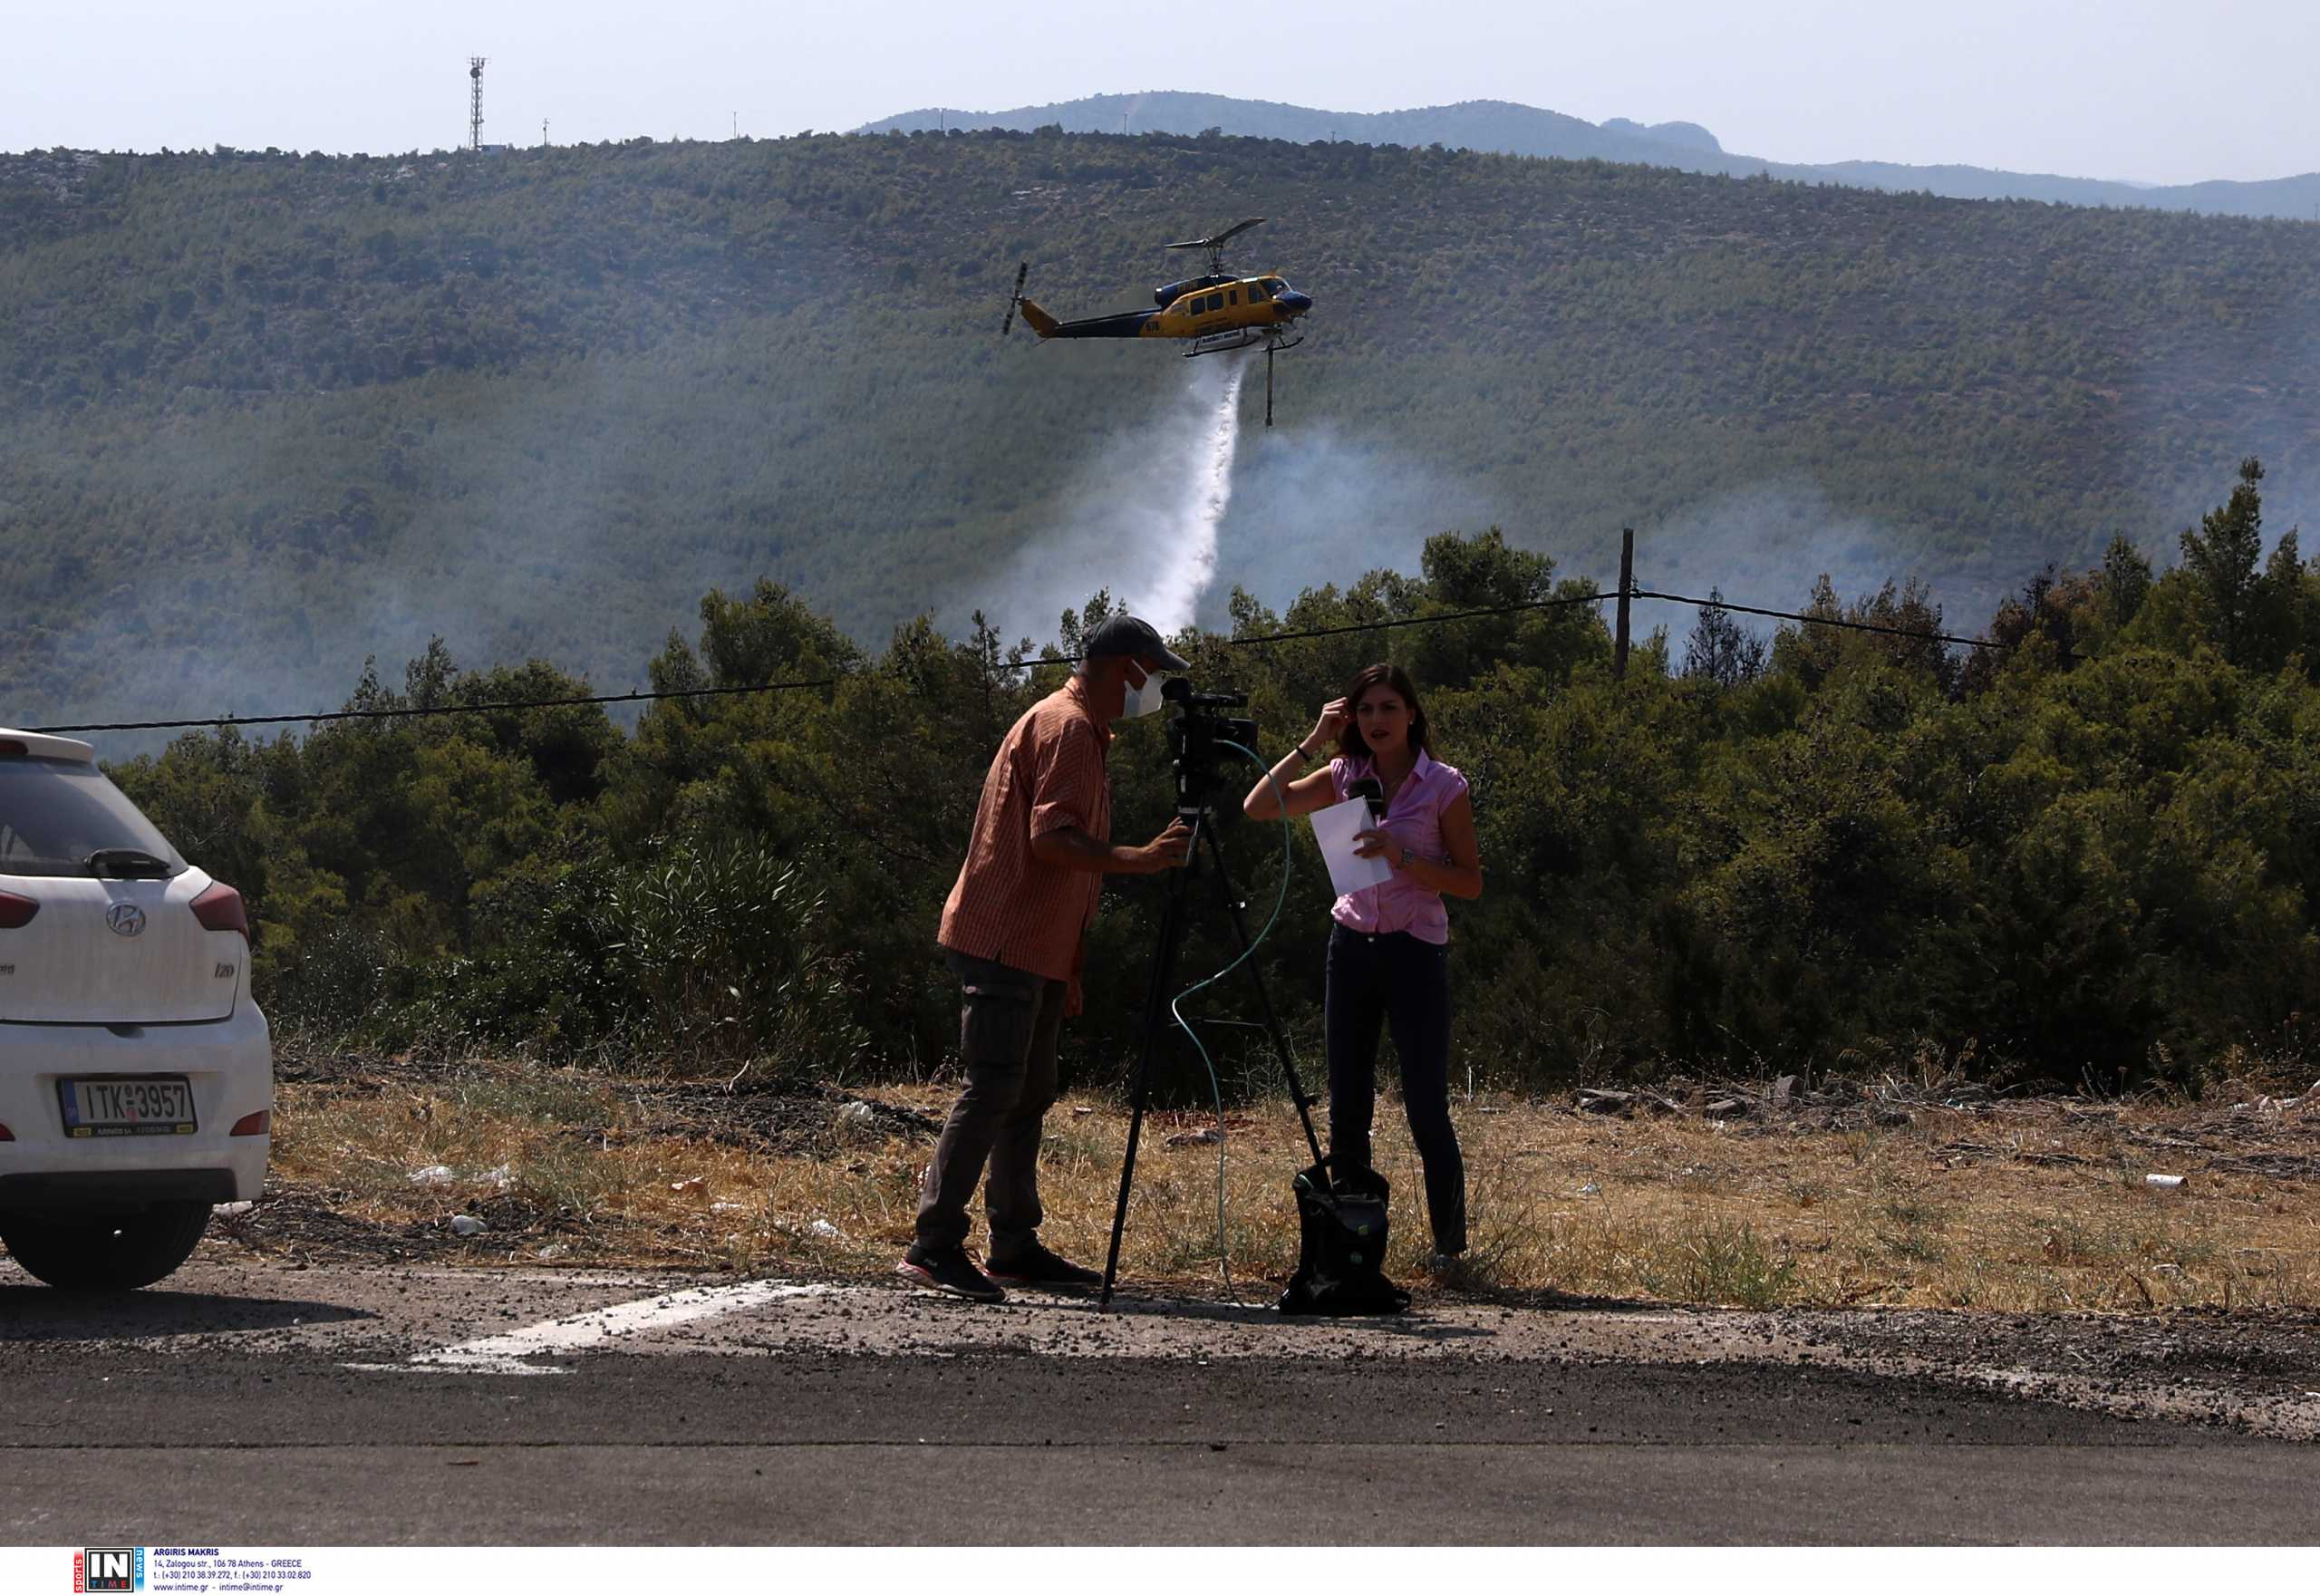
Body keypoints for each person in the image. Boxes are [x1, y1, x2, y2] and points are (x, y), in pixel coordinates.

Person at [900, 614, 1195, 1302]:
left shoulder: (1083, 729)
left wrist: (1070, 964)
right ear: (1125, 666)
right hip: (1004, 939)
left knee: (1026, 1091)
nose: (1152, 689)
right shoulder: (1065, 728)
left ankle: (1013, 1243)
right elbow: (1053, 841)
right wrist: (1143, 859)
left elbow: (1068, 870)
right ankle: (934, 1242)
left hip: (1034, 947)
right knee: (994, 1085)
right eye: (1152, 673)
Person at [1242, 663, 1484, 1265]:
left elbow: (1471, 881)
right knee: (1348, 1103)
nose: (1377, 721)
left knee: (1427, 1105)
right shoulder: (1346, 773)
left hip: (1415, 950)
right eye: (1366, 709)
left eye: (1388, 708)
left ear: (1412, 715)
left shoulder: (1444, 785)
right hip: (1350, 947)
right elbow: (1258, 806)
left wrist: (1401, 855)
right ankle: (1352, 1249)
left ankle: (1450, 1250)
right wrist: (1313, 740)